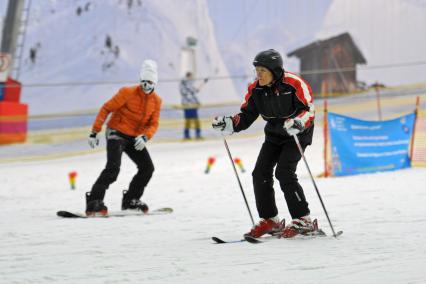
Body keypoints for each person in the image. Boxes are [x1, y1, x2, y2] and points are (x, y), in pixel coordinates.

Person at [212, 49, 316, 238]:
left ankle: (303, 219)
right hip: (274, 134)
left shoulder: (294, 84)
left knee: (284, 172)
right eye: (257, 70)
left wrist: (299, 123)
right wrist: (229, 123)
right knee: (260, 173)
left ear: (275, 71)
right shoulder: (256, 89)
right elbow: (246, 116)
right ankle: (270, 220)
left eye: (263, 70)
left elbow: (309, 110)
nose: (258, 74)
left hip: (296, 134)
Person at [86, 59, 162, 217]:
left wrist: (145, 137)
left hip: (135, 137)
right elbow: (106, 108)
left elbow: (154, 123)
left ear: (154, 83)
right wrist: (95, 131)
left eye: (149, 82)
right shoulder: (127, 92)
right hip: (117, 133)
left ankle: (131, 200)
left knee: (147, 168)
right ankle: (94, 201)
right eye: (143, 81)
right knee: (113, 168)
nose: (145, 85)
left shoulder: (156, 101)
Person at [179, 72, 208, 140]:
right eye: (191, 77)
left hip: (190, 105)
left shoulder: (186, 84)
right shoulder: (185, 84)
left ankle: (192, 135)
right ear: (188, 76)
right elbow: (191, 93)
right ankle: (189, 135)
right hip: (188, 105)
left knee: (193, 121)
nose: (192, 78)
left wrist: (197, 102)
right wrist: (196, 102)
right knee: (191, 121)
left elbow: (194, 92)